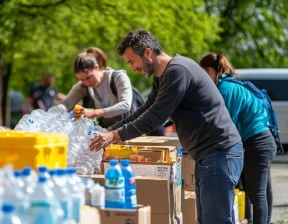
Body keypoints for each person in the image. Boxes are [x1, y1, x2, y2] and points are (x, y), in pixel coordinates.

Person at [89, 28, 243, 223]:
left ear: (147, 52)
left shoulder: (178, 71)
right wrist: (110, 131)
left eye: (132, 61)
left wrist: (114, 136)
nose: (133, 68)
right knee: (206, 219)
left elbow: (155, 117)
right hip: (208, 154)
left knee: (216, 220)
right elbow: (146, 109)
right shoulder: (162, 76)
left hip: (220, 153)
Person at [200, 53, 277, 224]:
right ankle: (254, 220)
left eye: (203, 74)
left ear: (211, 71)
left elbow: (227, 125)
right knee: (256, 190)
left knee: (257, 194)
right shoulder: (230, 85)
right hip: (260, 142)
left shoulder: (226, 89)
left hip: (257, 143)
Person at [58, 47, 164, 135]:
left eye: (89, 77)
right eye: (81, 79)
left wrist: (94, 113)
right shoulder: (83, 86)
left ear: (96, 67)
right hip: (109, 132)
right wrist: (55, 113)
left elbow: (125, 105)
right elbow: (66, 103)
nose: (86, 82)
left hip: (131, 129)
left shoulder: (117, 77)